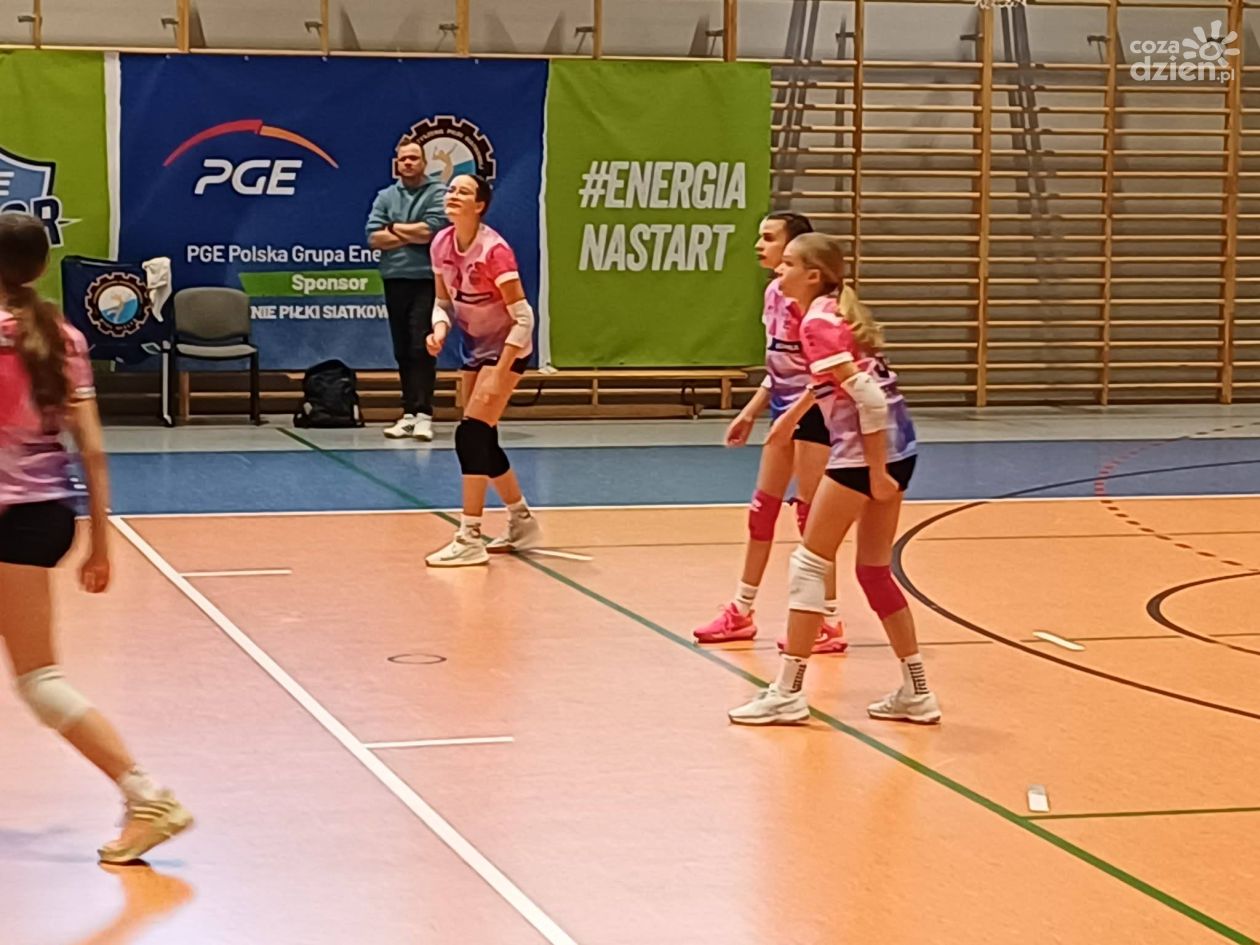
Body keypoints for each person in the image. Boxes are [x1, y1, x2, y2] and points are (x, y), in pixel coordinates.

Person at [0, 212, 193, 862]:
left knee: (39, 679)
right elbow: (93, 451)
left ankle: (147, 795)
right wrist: (102, 543)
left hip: (10, 518)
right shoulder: (64, 337)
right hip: (49, 513)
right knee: (36, 675)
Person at [727, 233, 941, 726]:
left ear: (813, 275)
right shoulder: (830, 313)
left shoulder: (818, 322)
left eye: (788, 264)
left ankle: (787, 692)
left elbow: (869, 399)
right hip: (900, 447)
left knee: (808, 564)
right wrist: (789, 416)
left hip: (865, 454)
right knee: (872, 571)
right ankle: (917, 691)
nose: (779, 271)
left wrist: (876, 472)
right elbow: (834, 382)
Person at [694, 212, 846, 654]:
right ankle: (741, 611)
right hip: (785, 408)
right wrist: (751, 411)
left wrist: (790, 418)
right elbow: (779, 365)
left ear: (797, 250)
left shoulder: (819, 309)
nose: (759, 245)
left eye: (768, 238)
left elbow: (823, 375)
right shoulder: (775, 293)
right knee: (762, 511)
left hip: (817, 412)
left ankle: (828, 620)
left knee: (811, 518)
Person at [424, 175, 542, 567]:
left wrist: (501, 371)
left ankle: (469, 535)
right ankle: (522, 520)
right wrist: (439, 330)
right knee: (483, 438)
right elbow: (442, 303)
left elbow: (524, 317)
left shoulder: (494, 251)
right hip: (474, 350)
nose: (453, 196)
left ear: (480, 205)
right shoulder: (441, 244)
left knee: (470, 434)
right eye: (450, 190)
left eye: (463, 192)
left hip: (508, 349)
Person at [366, 139, 449, 441]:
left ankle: (424, 414)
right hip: (394, 278)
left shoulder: (437, 193)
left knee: (420, 346)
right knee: (402, 349)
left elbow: (432, 232)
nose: (409, 163)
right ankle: (409, 415)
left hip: (426, 280)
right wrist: (409, 232)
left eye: (414, 158)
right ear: (396, 164)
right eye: (403, 159)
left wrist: (394, 228)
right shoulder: (386, 196)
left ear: (424, 163)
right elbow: (373, 237)